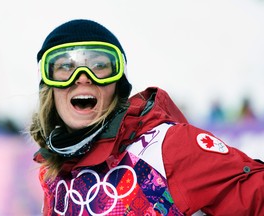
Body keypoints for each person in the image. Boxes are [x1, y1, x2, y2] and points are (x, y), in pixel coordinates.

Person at [30, 19, 264, 216]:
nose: (82, 77)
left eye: (99, 65)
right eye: (64, 67)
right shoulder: (52, 173)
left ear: (117, 84)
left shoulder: (166, 148)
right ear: (49, 87)